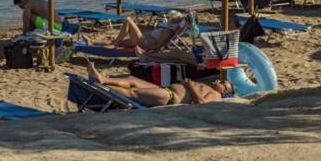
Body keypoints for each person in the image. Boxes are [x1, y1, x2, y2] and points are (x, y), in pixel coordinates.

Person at [85, 60, 230, 106]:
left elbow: (201, 103)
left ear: (224, 92)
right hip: (164, 89)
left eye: (223, 83)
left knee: (133, 93)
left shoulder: (216, 95)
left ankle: (100, 85)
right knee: (132, 80)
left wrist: (190, 84)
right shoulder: (208, 85)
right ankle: (102, 79)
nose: (220, 80)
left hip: (170, 97)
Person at [111, 12, 187, 50]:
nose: (168, 19)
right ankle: (117, 42)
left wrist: (146, 50)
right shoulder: (170, 30)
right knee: (121, 42)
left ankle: (116, 42)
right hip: (142, 40)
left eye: (170, 18)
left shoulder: (168, 31)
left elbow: (158, 45)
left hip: (142, 42)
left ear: (173, 20)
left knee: (128, 20)